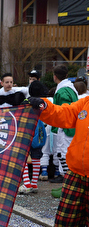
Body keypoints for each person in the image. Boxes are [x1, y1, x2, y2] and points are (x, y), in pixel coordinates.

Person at [28, 93, 89, 227]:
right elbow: (64, 113)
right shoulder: (85, 103)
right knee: (65, 221)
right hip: (77, 173)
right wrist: (44, 105)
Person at [47, 65, 78, 194]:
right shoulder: (70, 87)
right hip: (68, 126)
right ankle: (67, 184)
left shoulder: (63, 90)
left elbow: (64, 110)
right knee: (63, 154)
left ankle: (68, 185)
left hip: (65, 127)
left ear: (55, 76)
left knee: (64, 154)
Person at [18, 81, 48, 194]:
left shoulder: (25, 102)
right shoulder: (42, 103)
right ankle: (34, 183)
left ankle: (27, 183)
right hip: (39, 131)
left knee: (24, 158)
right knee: (36, 158)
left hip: (26, 131)